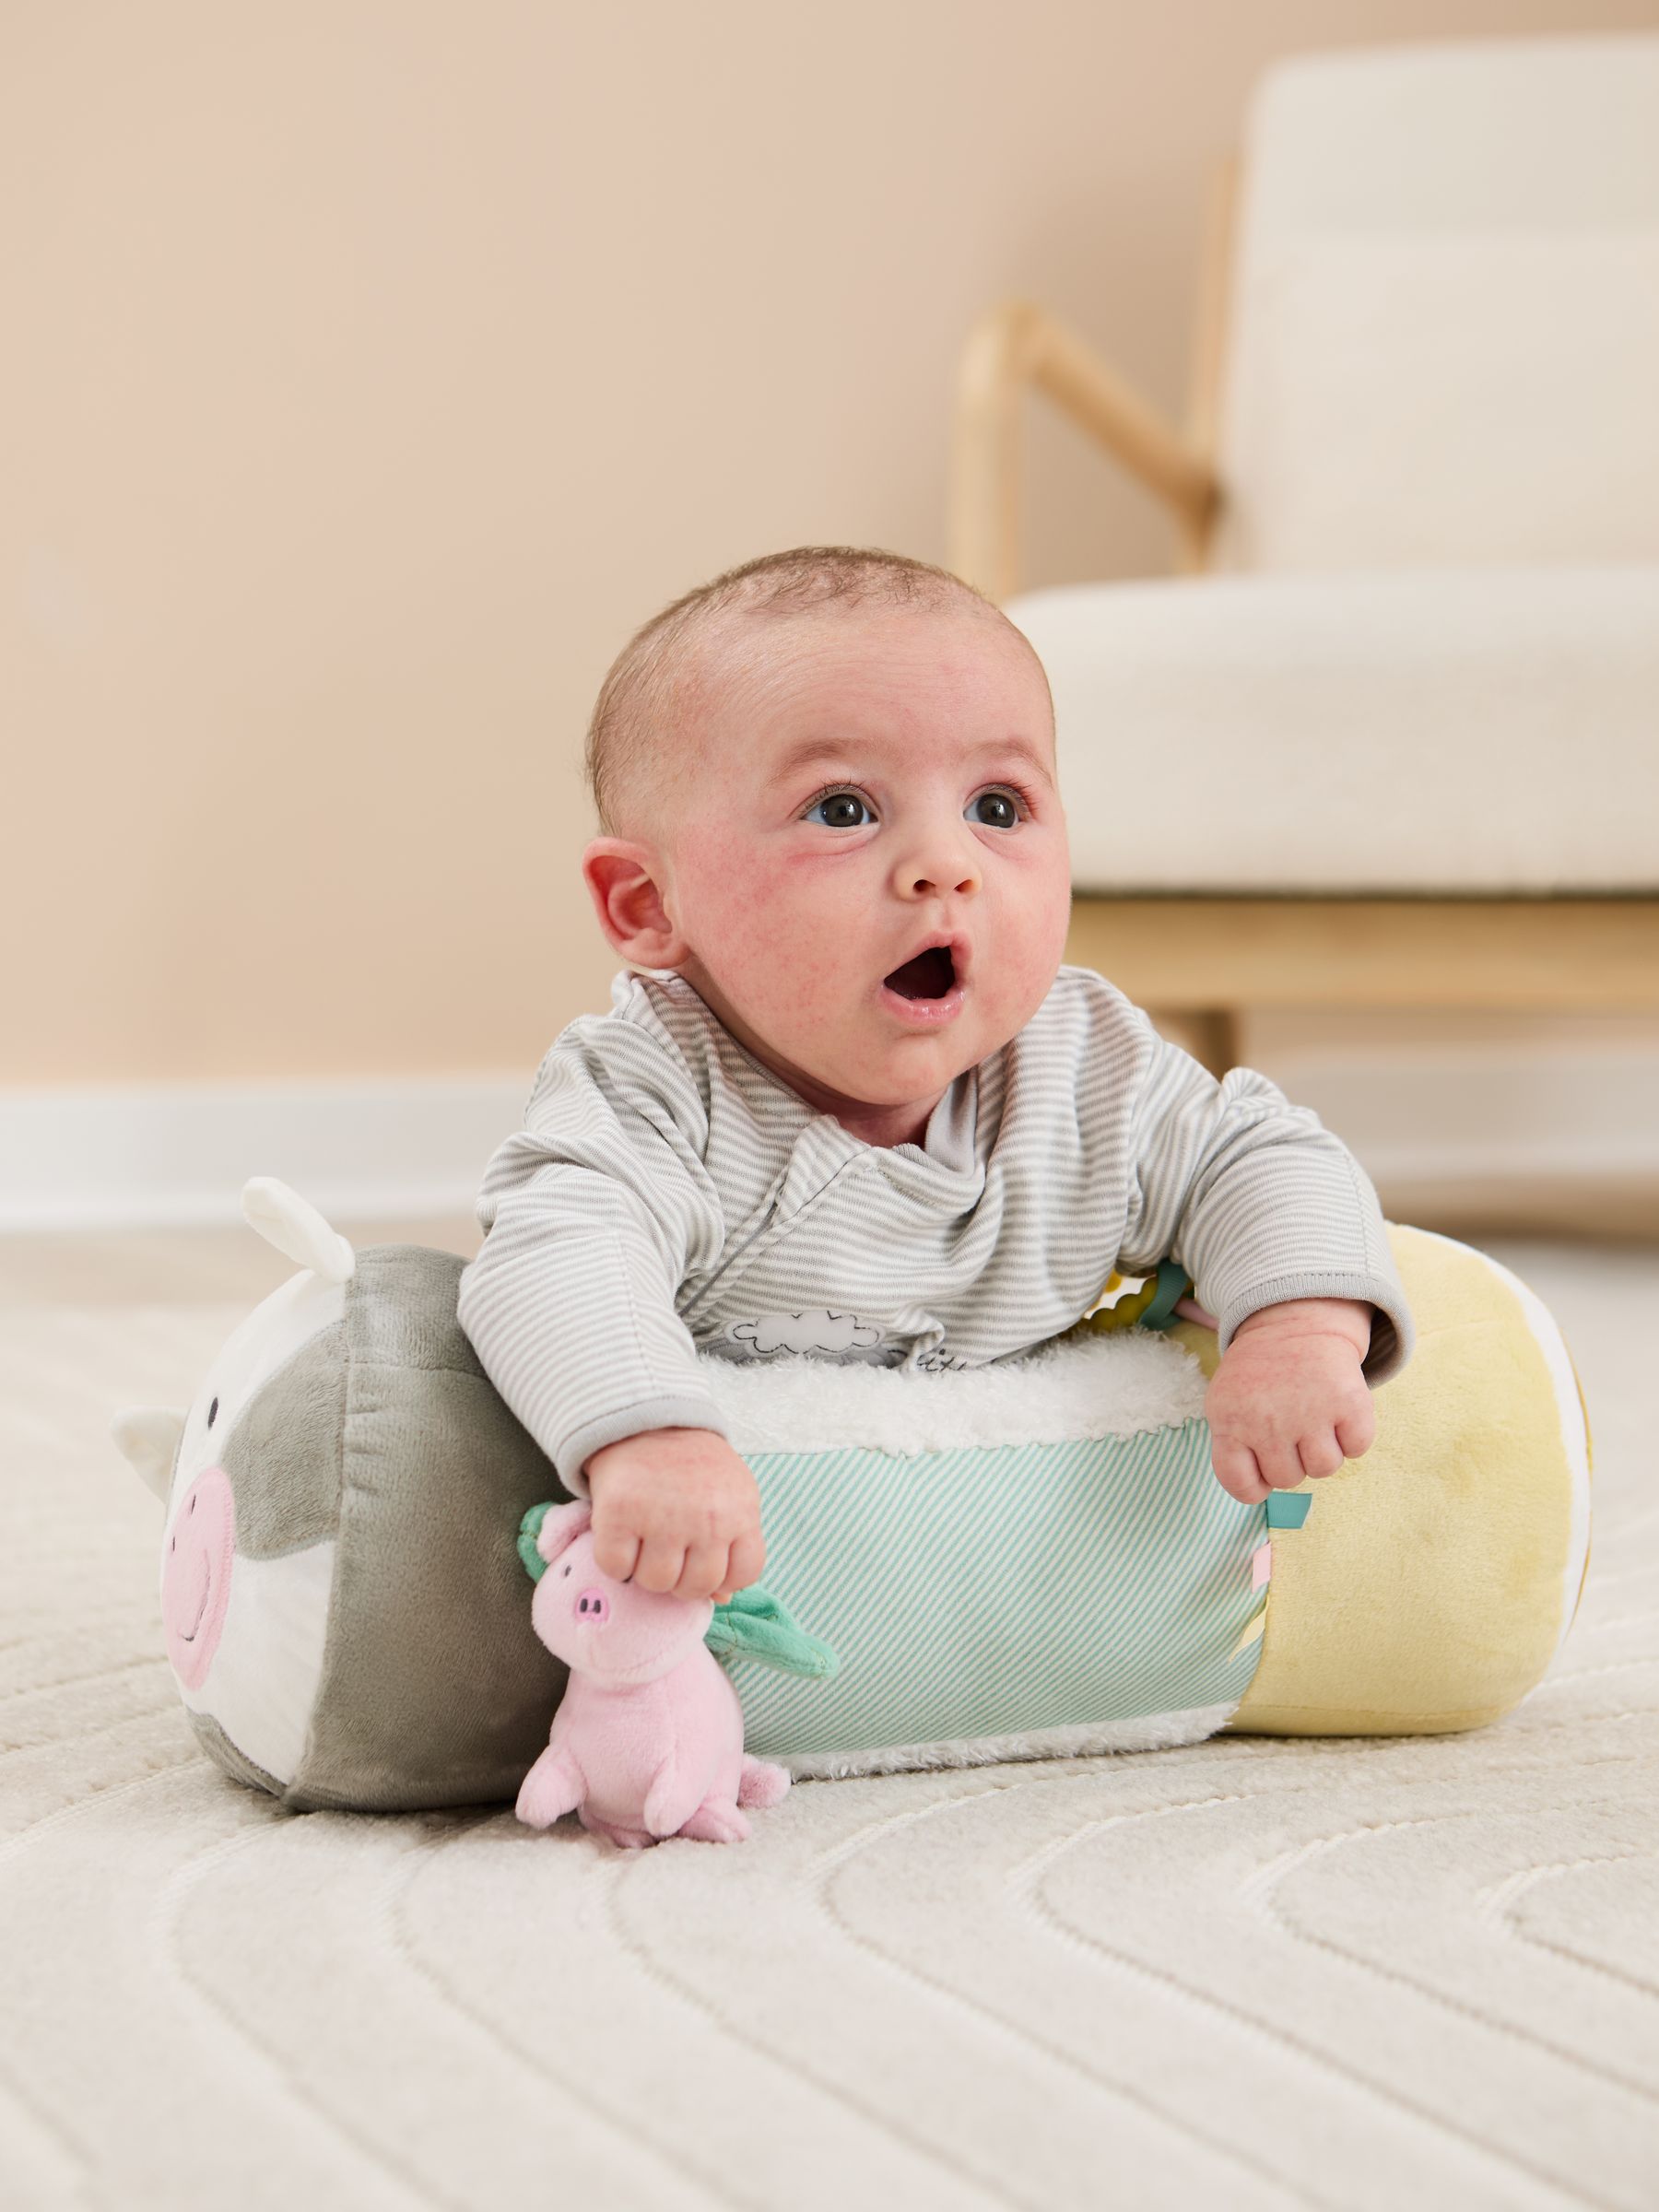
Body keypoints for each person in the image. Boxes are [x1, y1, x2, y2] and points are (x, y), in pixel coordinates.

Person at [458, 547, 1412, 1607]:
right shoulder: (655, 1088)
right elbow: (556, 1254)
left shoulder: (1083, 1066)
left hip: (1006, 1568)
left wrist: (1297, 1330)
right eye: (842, 810)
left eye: (997, 808)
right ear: (648, 903)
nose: (944, 865)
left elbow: (1261, 1159)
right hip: (754, 1566)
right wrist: (650, 1439)